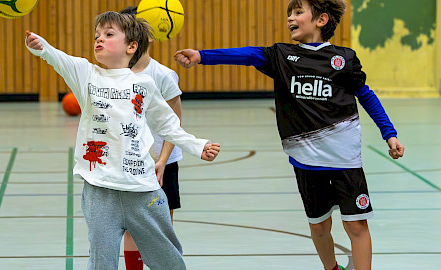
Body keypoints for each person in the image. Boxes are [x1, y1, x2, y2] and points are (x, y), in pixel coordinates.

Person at [174, 0, 404, 269]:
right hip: (306, 161)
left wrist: (389, 133)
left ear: (321, 20)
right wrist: (202, 56)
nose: (290, 18)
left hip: (345, 159)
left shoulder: (344, 58)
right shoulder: (282, 56)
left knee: (356, 224)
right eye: (289, 14)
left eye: (297, 12)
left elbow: (366, 96)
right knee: (319, 227)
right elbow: (246, 54)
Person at [25, 11, 220, 270]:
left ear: (131, 46)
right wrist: (41, 47)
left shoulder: (145, 84)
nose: (99, 39)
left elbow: (168, 124)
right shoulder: (87, 75)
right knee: (101, 262)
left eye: (108, 34)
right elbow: (59, 59)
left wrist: (198, 146)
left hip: (143, 191)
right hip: (99, 191)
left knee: (169, 260)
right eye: (97, 35)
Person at [118, 6, 185, 270]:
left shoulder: (163, 75)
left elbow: (175, 123)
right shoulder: (114, 75)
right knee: (131, 227)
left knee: (160, 227)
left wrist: (162, 160)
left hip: (162, 162)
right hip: (129, 163)